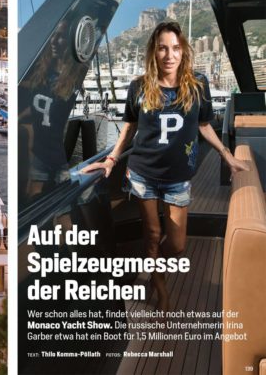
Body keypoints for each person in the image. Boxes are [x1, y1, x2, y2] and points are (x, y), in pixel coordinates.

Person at [82, 21, 248, 312]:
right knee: (153, 236)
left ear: (183, 51)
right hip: (143, 174)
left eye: (175, 48)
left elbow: (204, 124)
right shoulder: (138, 87)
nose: (169, 55)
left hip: (178, 178)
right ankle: (160, 288)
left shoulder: (198, 85)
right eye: (162, 48)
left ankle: (154, 266)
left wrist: (226, 154)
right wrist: (111, 159)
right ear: (154, 52)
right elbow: (130, 128)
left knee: (177, 245)